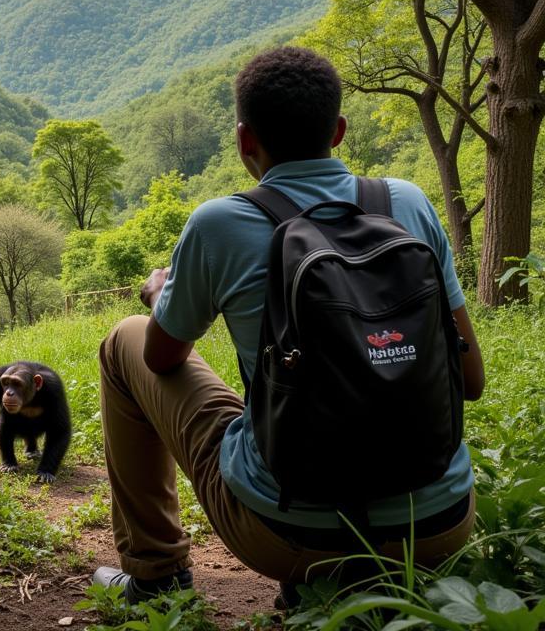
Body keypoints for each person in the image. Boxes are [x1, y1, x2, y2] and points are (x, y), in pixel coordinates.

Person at [93, 47, 485, 603]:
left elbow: (161, 359)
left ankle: (155, 574)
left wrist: (161, 297)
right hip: (440, 526)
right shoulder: (409, 204)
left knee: (125, 340)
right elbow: (469, 380)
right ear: (340, 131)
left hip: (289, 536)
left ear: (243, 140)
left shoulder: (220, 223)